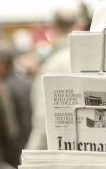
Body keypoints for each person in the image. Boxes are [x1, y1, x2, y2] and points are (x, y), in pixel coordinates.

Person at [25, 8, 78, 151]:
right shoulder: (88, 59)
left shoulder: (53, 64)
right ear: (79, 24)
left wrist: (31, 157)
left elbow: (43, 120)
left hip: (59, 148)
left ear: (53, 25)